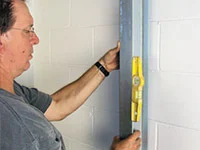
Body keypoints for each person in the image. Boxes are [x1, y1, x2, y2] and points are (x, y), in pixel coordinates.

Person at [0, 0, 141, 150]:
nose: (36, 40)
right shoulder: (21, 129)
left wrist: (104, 66)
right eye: (28, 30)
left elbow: (57, 105)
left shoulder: (13, 91)